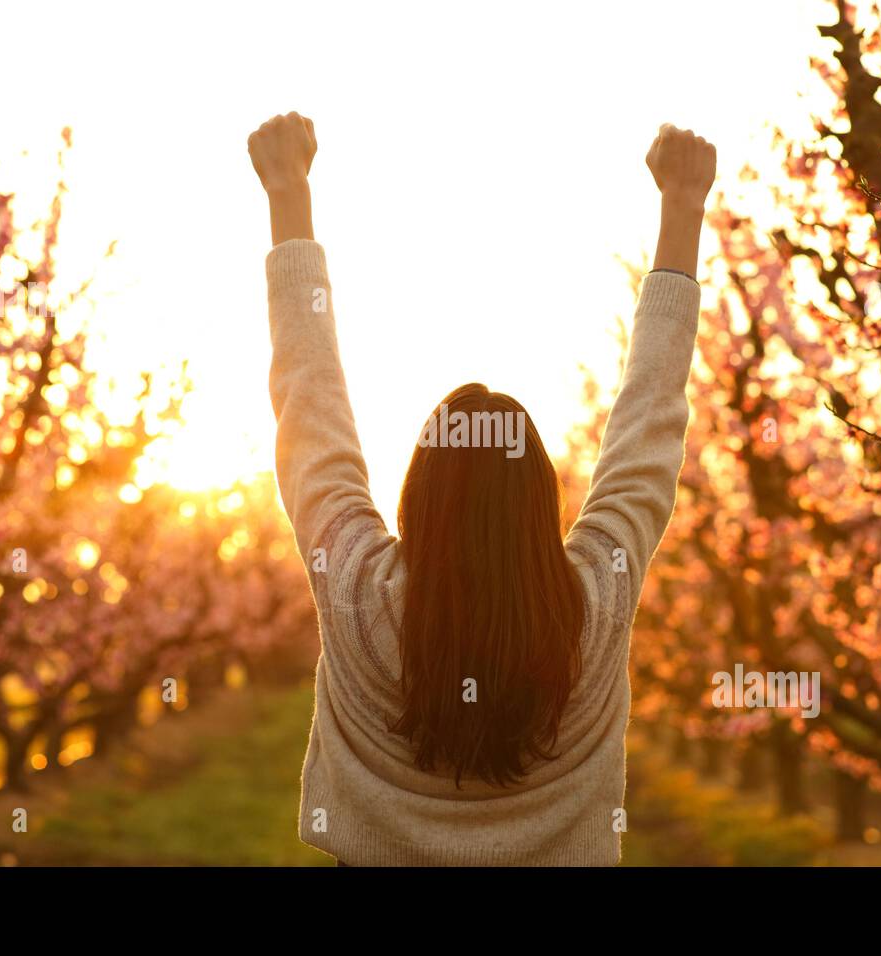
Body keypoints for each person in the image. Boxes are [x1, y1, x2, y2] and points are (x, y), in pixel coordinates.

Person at [247, 113, 714, 865]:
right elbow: (649, 424)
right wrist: (684, 209)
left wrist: (287, 194)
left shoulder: (357, 587)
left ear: (419, 493)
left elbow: (310, 405)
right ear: (540, 500)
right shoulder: (595, 600)